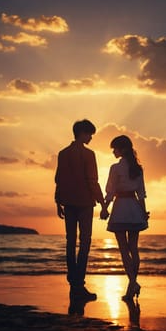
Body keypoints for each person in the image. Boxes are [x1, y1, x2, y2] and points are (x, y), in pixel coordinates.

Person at [55, 119, 108, 300]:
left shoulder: (63, 153)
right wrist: (102, 203)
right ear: (83, 133)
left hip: (68, 203)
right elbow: (92, 181)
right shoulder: (88, 154)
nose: (91, 137)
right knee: (84, 243)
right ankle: (79, 284)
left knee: (71, 242)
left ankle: (73, 284)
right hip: (85, 203)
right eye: (90, 134)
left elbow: (58, 179)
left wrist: (58, 202)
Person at [101, 135, 149, 301]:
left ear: (123, 149)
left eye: (115, 148)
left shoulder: (115, 168)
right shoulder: (138, 168)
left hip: (121, 208)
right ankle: (132, 284)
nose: (114, 151)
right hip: (135, 209)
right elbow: (141, 194)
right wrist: (144, 213)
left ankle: (133, 283)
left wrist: (104, 208)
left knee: (123, 249)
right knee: (133, 248)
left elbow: (110, 192)